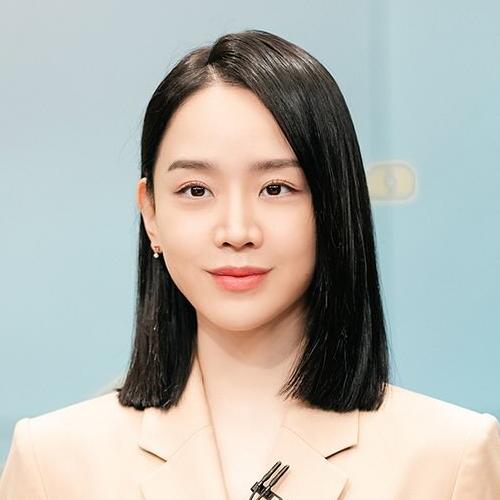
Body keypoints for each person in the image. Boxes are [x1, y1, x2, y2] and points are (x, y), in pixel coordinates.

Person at [0, 29, 498, 500]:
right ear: (150, 213)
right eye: (196, 190)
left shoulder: (449, 459)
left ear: (333, 206)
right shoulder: (52, 462)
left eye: (275, 188)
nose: (236, 231)